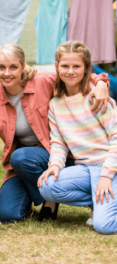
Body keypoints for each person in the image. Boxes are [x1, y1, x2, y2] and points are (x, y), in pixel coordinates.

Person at [0, 42, 111, 223]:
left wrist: (101, 83)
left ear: (23, 66)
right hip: (23, 167)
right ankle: (38, 190)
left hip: (57, 156)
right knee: (7, 214)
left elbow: (74, 74)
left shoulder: (42, 82)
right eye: (1, 67)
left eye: (13, 67)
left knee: (21, 157)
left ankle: (50, 199)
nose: (7, 73)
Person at [38, 41, 117, 234]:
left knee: (103, 226)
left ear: (86, 69)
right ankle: (101, 201)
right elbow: (58, 143)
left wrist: (106, 176)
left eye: (76, 66)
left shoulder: (97, 97)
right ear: (57, 67)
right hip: (84, 169)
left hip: (108, 167)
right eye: (65, 66)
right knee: (47, 187)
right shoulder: (55, 104)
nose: (70, 71)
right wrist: (55, 166)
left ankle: (106, 200)